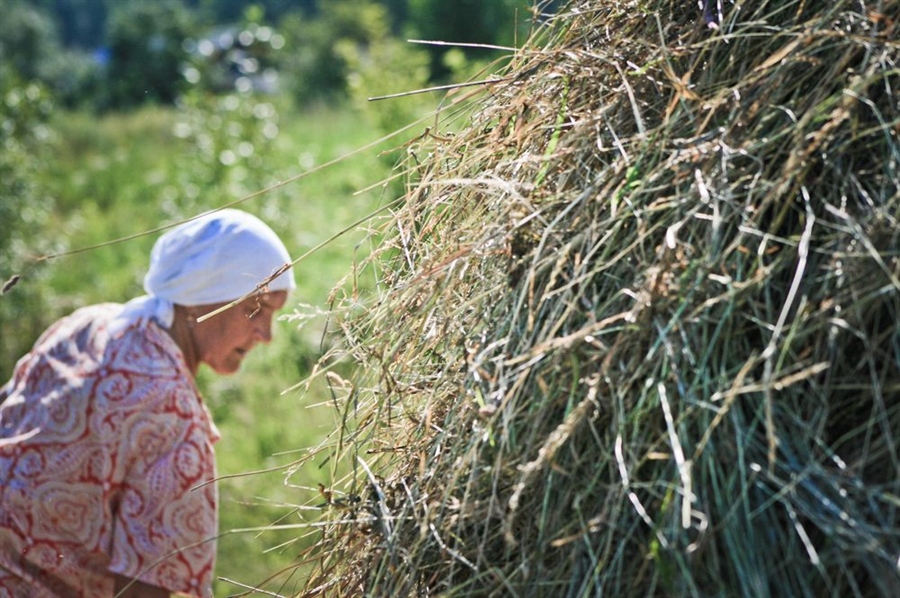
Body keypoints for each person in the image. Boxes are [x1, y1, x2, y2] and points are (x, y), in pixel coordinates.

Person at [0, 209, 295, 598]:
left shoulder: (90, 324)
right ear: (203, 296)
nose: (266, 334)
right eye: (257, 308)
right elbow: (144, 591)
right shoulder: (173, 417)